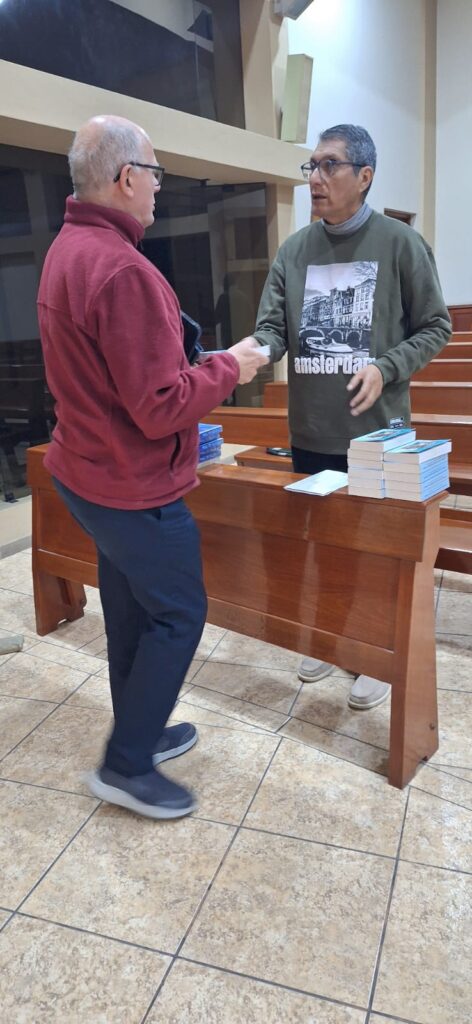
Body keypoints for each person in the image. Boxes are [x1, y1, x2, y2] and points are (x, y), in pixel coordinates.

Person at [37, 114, 268, 819]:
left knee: (131, 607)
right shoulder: (121, 269)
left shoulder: (69, 248)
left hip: (85, 471)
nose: (161, 187)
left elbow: (120, 375)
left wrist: (195, 364)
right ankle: (127, 763)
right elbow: (161, 408)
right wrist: (232, 366)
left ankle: (140, 728)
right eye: (156, 173)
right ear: (126, 177)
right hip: (131, 486)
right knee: (180, 613)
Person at [251, 124, 451, 711]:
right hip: (311, 431)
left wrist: (387, 367)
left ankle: (376, 654)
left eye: (329, 165)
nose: (315, 178)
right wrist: (251, 353)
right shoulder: (294, 251)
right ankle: (331, 637)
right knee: (322, 546)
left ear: (364, 177)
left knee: (374, 552)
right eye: (311, 166)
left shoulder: (400, 244)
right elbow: (272, 329)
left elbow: (436, 326)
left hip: (378, 435)